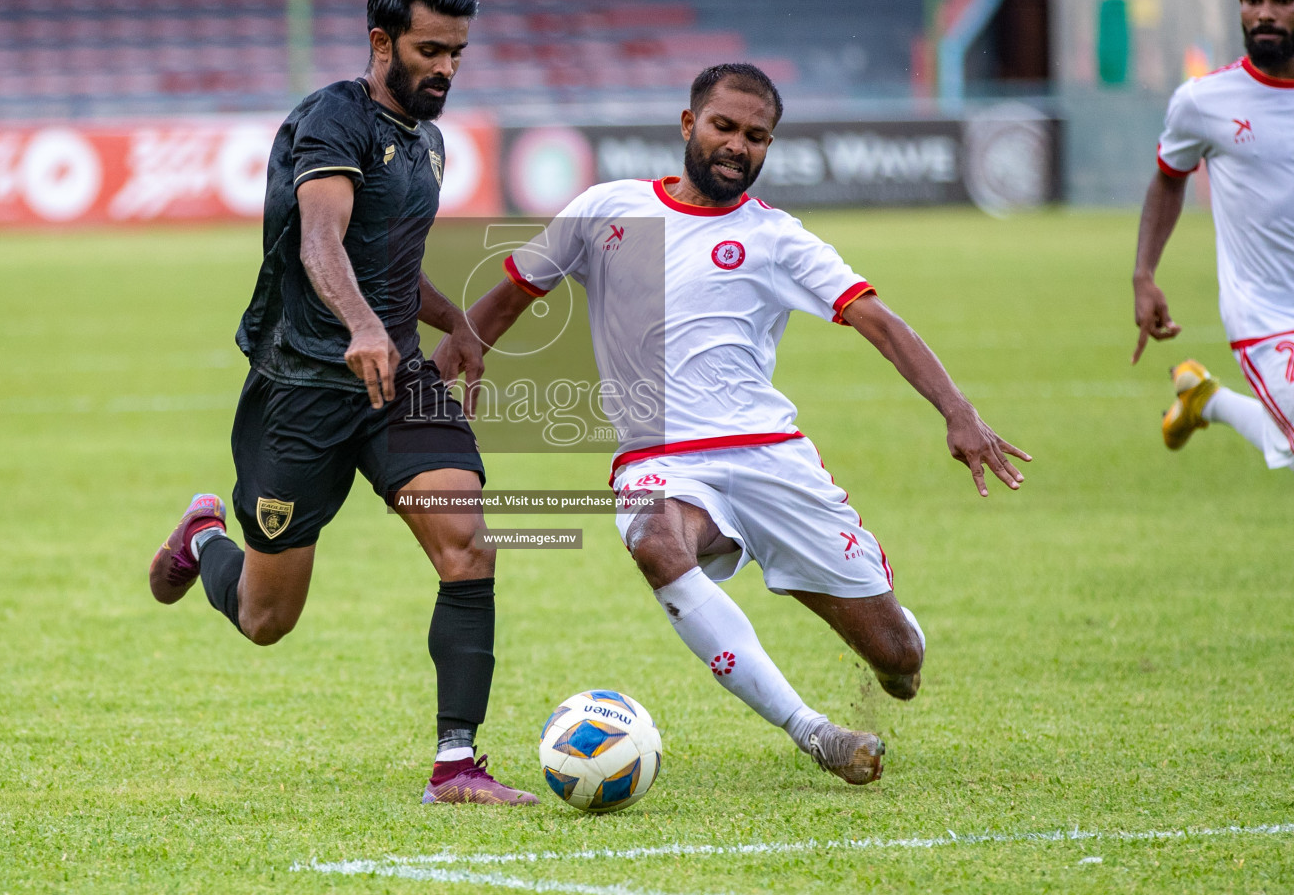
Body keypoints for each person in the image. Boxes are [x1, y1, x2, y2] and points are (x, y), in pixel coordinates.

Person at [437, 63, 1029, 786]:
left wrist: (957, 412)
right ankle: (812, 731)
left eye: (758, 136)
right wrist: (439, 376)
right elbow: (510, 296)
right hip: (662, 460)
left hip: (772, 460)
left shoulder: (776, 237)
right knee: (657, 540)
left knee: (899, 662)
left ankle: (889, 631)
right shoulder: (606, 210)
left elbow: (877, 320)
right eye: (725, 126)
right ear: (689, 125)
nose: (738, 146)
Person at [146, 0, 536, 805]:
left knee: (467, 546)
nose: (447, 68)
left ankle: (456, 766)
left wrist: (452, 324)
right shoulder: (332, 120)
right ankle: (205, 537)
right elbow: (322, 239)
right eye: (431, 49)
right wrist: (359, 325)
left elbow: (389, 259)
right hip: (301, 389)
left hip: (397, 381)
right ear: (380, 41)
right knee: (266, 619)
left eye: (459, 53)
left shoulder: (427, 139)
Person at [1134, 0, 1294, 472]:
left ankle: (1207, 400)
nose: (1264, 13)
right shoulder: (1205, 101)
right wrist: (1144, 274)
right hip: (1267, 318)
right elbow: (1169, 177)